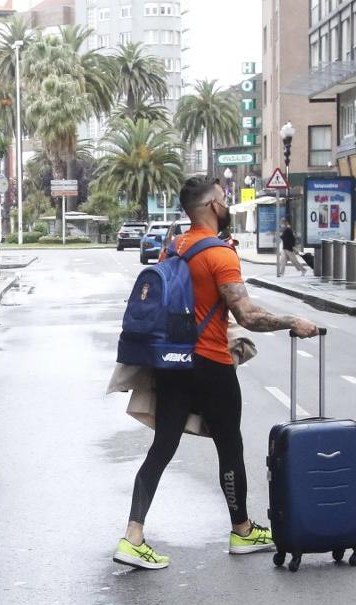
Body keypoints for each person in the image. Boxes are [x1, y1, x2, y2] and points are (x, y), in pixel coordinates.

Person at [115, 177, 319, 571]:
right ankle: (241, 530)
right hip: (210, 363)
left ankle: (133, 536)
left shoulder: (174, 247)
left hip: (173, 362)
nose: (227, 205)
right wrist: (293, 321)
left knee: (162, 448)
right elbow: (247, 315)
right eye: (224, 200)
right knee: (229, 446)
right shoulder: (220, 255)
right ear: (210, 206)